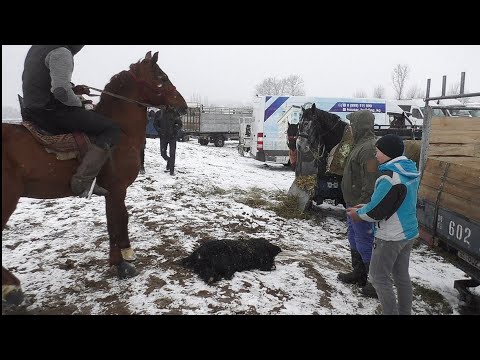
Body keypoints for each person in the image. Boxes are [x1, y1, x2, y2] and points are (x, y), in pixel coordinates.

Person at [21, 45, 120, 197]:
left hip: (32, 109)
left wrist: (73, 89)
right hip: (50, 112)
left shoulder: (37, 48)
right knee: (110, 128)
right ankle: (83, 181)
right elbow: (60, 91)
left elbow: (44, 81)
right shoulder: (61, 51)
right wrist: (80, 103)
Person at [347, 134, 420, 315]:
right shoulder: (408, 170)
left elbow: (376, 212)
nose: (376, 154)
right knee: (401, 276)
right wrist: (367, 206)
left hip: (391, 235)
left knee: (378, 278)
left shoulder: (388, 177)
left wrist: (359, 214)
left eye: (378, 151)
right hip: (408, 232)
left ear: (387, 153)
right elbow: (391, 201)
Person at [338, 110, 380, 298]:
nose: (351, 129)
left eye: (353, 125)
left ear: (360, 126)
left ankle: (374, 282)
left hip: (361, 207)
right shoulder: (359, 145)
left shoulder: (369, 148)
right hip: (352, 204)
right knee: (355, 239)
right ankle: (359, 273)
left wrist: (363, 207)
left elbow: (370, 182)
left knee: (366, 242)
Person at [153, 106, 182, 175]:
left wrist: (175, 130)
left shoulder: (174, 113)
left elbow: (180, 124)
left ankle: (172, 170)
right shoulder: (159, 113)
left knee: (172, 153)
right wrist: (159, 131)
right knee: (163, 154)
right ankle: (169, 161)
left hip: (172, 137)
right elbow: (155, 124)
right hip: (163, 137)